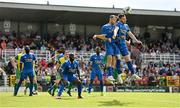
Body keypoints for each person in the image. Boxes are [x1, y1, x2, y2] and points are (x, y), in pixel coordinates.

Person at [113, 14, 142, 80]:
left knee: (128, 59)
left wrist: (136, 41)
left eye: (125, 18)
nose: (125, 19)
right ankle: (119, 74)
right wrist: (114, 35)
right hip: (117, 44)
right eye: (124, 18)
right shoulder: (118, 24)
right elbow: (115, 30)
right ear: (120, 19)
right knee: (118, 58)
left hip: (123, 45)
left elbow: (130, 34)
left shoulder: (126, 26)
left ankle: (133, 74)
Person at [93, 15, 118, 83]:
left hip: (115, 45)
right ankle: (109, 75)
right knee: (109, 58)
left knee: (114, 61)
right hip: (109, 44)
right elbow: (104, 36)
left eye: (116, 20)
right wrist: (97, 36)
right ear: (110, 19)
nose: (115, 21)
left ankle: (111, 76)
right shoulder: (105, 26)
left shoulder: (116, 27)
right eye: (114, 19)